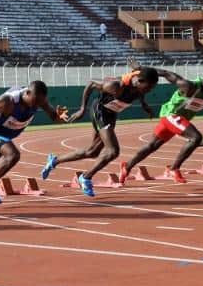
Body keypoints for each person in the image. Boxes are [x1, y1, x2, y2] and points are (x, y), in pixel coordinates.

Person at [41, 66, 160, 197]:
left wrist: (145, 106)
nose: (150, 90)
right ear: (140, 80)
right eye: (149, 87)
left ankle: (54, 161)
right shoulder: (116, 85)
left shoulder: (140, 86)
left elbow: (140, 94)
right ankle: (86, 177)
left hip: (111, 113)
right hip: (100, 111)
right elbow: (91, 83)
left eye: (153, 88)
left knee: (92, 152)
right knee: (113, 151)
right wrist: (82, 109)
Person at [120, 71, 203, 184]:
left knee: (152, 145)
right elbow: (167, 74)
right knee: (196, 137)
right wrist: (140, 71)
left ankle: (127, 166)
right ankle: (174, 168)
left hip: (175, 120)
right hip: (172, 115)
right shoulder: (190, 86)